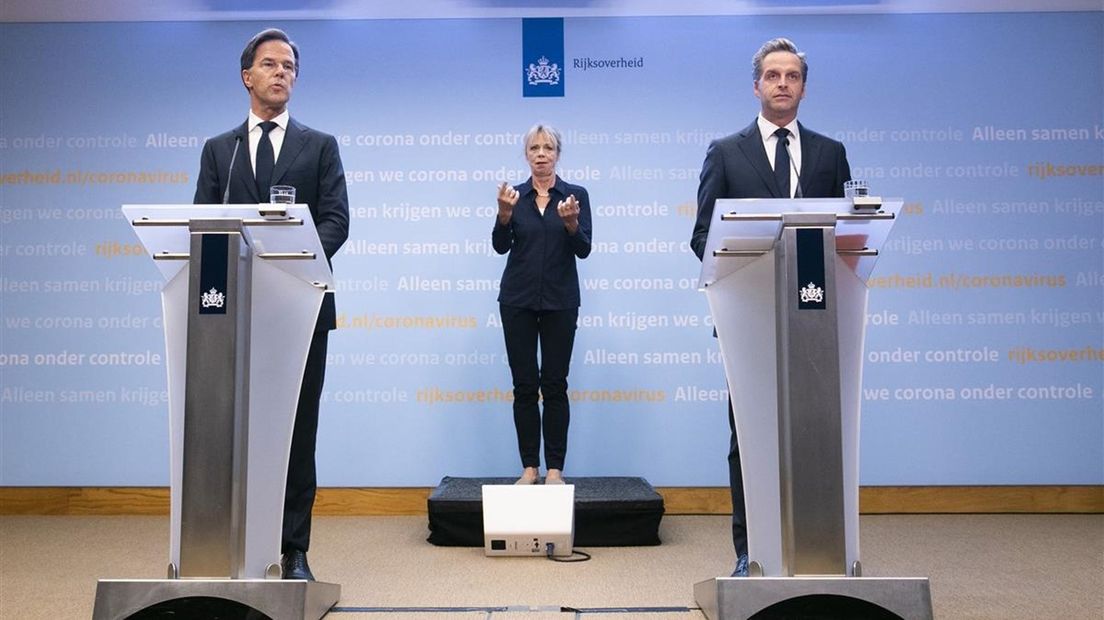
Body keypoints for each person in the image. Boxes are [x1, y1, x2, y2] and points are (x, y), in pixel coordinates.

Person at [193, 28, 350, 581]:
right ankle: (230, 545)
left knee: (295, 431)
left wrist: (292, 263)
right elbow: (203, 226)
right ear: (247, 77)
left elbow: (337, 220)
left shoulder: (320, 145)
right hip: (232, 312)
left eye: (289, 66)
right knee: (235, 431)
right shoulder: (221, 150)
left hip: (301, 309)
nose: (281, 72)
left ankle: (294, 551)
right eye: (270, 64)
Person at [690, 37, 851, 576]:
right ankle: (750, 550)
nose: (783, 83)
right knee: (751, 438)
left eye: (793, 76)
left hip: (816, 320)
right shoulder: (726, 151)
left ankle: (822, 548)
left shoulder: (830, 153)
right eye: (773, 75)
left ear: (804, 86)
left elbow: (849, 234)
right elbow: (702, 237)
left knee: (817, 432)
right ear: (756, 85)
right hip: (749, 320)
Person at [492, 124, 592, 486]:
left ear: (557, 154)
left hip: (560, 302)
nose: (540, 153)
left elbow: (583, 248)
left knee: (554, 385)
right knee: (523, 386)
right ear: (526, 155)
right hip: (517, 300)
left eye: (547, 147)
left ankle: (554, 470)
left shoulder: (575, 196)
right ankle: (529, 468)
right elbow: (500, 246)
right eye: (534, 147)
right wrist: (504, 216)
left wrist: (571, 224)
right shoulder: (513, 196)